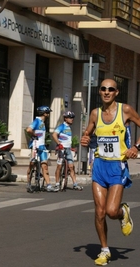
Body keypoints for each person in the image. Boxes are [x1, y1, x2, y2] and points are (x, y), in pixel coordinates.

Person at [80, 78, 140, 266]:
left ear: (116, 92)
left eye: (110, 89)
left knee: (111, 211)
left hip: (117, 166)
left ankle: (123, 212)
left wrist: (136, 148)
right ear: (100, 92)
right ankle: (104, 250)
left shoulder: (126, 110)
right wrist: (84, 138)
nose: (106, 92)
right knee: (99, 212)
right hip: (99, 165)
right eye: (103, 89)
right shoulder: (95, 114)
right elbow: (88, 133)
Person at [26, 106, 58, 192]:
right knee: (32, 164)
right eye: (48, 113)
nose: (48, 114)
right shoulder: (37, 121)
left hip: (42, 146)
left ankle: (48, 185)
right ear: (44, 113)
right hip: (35, 146)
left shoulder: (42, 122)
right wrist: (34, 134)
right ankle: (28, 181)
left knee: (45, 166)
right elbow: (28, 129)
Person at [52, 111, 83, 191]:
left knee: (71, 167)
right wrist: (59, 143)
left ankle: (75, 184)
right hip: (61, 149)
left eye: (72, 118)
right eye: (70, 118)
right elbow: (54, 135)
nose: (72, 119)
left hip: (68, 149)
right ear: (65, 119)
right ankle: (57, 184)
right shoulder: (61, 126)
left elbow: (68, 139)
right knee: (59, 166)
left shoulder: (69, 128)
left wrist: (72, 147)